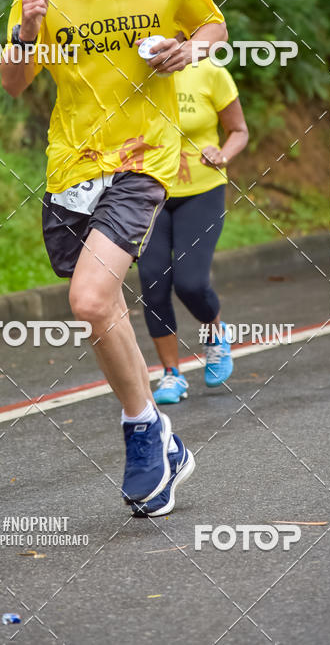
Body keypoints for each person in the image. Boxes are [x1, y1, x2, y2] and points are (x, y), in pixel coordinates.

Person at [1, 0, 227, 517]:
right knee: (98, 306)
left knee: (90, 298)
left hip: (143, 157)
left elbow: (213, 23)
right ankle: (161, 435)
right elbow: (14, 83)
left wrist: (195, 48)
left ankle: (138, 432)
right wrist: (29, 30)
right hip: (72, 164)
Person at [137, 58, 248, 405]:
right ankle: (171, 375)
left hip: (201, 190)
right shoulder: (136, 73)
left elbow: (239, 131)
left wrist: (223, 153)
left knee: (190, 282)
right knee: (153, 281)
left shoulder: (211, 73)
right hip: (148, 191)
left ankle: (216, 334)